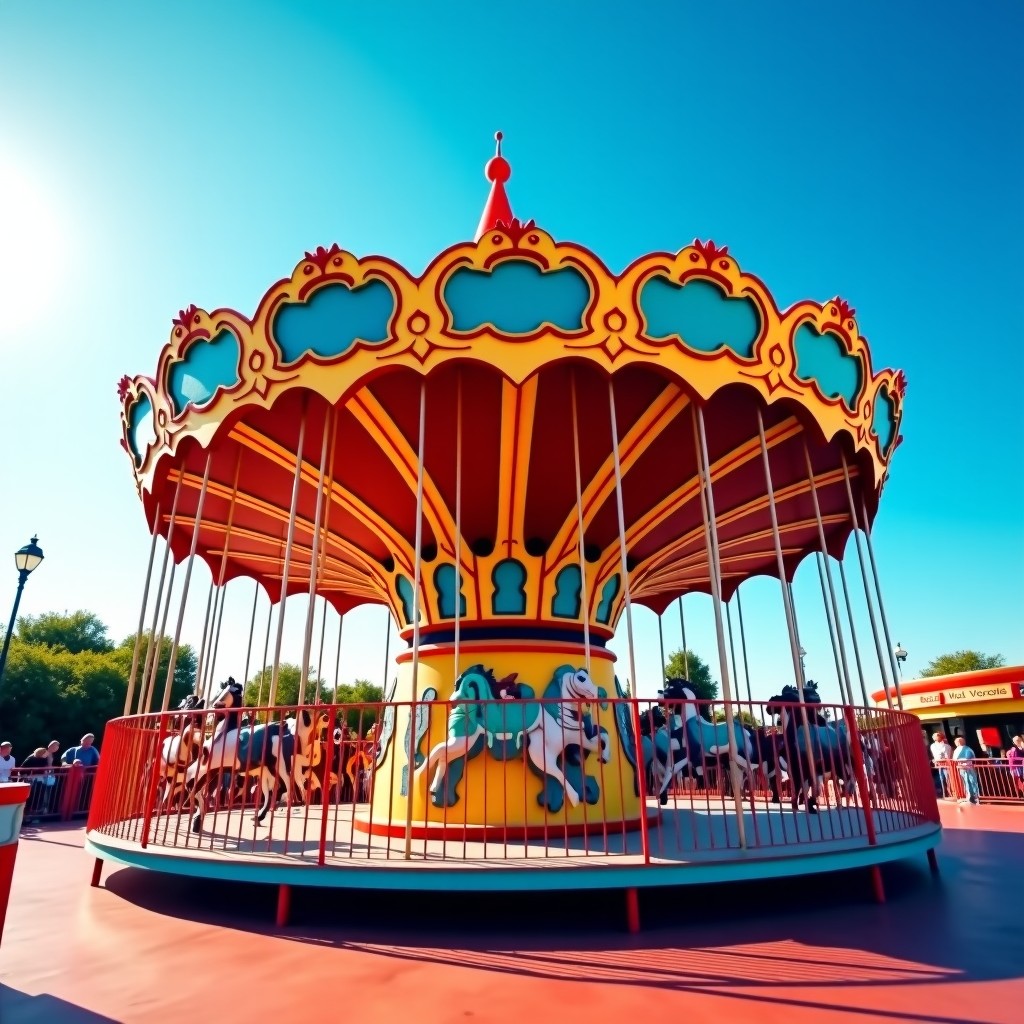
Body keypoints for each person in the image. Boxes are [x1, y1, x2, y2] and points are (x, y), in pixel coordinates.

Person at [953, 736, 980, 805]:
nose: (955, 743)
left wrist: (960, 760)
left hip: (969, 767)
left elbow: (969, 757)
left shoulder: (968, 749)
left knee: (972, 781)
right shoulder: (957, 750)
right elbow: (954, 759)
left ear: (959, 742)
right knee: (966, 782)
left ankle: (976, 797)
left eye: (956, 742)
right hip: (962, 768)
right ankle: (969, 796)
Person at [930, 731, 953, 798]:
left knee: (947, 779)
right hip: (938, 765)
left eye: (937, 736)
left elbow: (949, 754)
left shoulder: (947, 746)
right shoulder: (932, 746)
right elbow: (934, 755)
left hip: (946, 764)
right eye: (934, 737)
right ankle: (942, 792)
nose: (935, 738)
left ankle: (949, 793)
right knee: (940, 779)